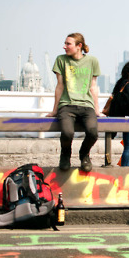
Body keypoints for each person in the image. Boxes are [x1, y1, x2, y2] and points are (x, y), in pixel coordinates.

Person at [47, 33, 101, 172]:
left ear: (79, 46)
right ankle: (65, 155)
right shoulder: (61, 60)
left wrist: (97, 110)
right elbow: (59, 86)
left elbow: (93, 87)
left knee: (93, 132)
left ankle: (84, 155)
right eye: (65, 43)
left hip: (86, 105)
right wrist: (54, 110)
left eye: (68, 44)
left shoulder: (92, 61)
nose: (64, 46)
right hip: (67, 104)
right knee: (67, 132)